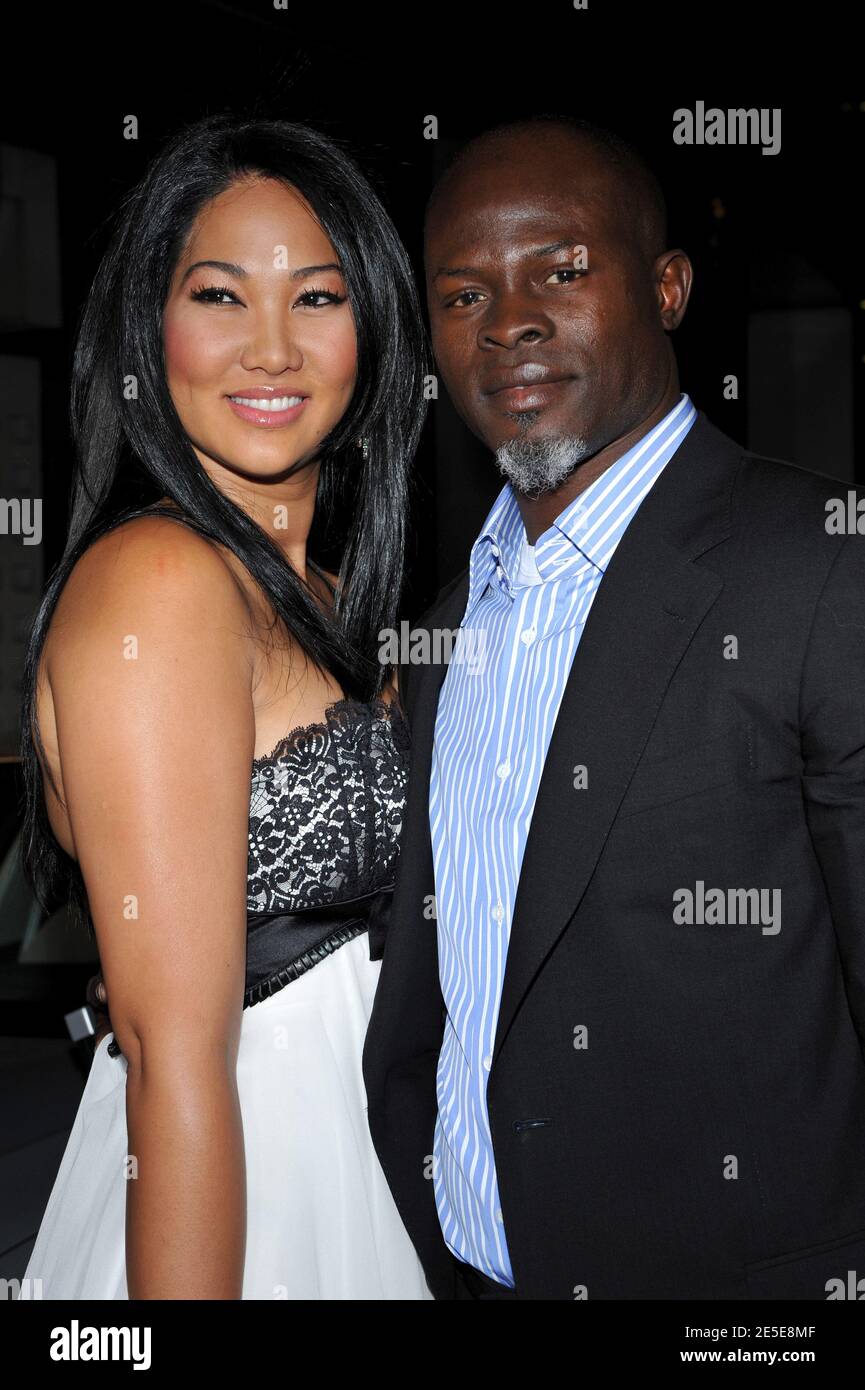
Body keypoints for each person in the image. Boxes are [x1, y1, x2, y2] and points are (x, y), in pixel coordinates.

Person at [362, 116, 865, 1300]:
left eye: (561, 268)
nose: (511, 320)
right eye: (463, 293)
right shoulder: (446, 626)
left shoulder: (821, 568)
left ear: (669, 287)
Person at [18, 112, 434, 1300]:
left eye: (315, 298)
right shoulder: (159, 583)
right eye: (218, 296)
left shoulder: (329, 594)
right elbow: (172, 1052)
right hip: (233, 1186)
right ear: (149, 326)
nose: (271, 350)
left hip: (366, 1153)